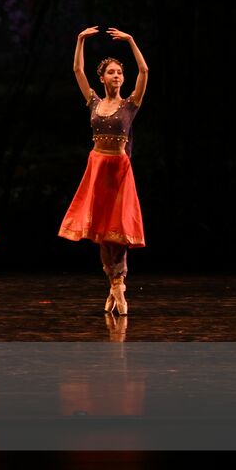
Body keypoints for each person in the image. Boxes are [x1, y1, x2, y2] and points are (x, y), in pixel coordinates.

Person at [59, 27, 148, 316]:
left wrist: (132, 41)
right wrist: (80, 40)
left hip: (119, 171)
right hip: (97, 167)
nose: (117, 76)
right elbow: (77, 70)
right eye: (112, 72)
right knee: (101, 231)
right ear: (103, 78)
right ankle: (114, 284)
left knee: (117, 231)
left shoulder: (129, 105)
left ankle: (118, 286)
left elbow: (144, 71)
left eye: (120, 73)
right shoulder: (95, 103)